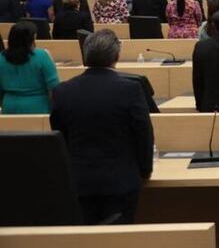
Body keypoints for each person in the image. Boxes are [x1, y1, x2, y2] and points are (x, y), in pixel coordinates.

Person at [50, 29, 154, 223]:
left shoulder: (62, 91)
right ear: (116, 56)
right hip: (121, 180)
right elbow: (143, 133)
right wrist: (145, 169)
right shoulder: (130, 89)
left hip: (78, 180)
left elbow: (59, 136)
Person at [0, 21, 60, 113]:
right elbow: (54, 87)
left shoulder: (1, 58)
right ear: (30, 39)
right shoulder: (42, 55)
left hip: (9, 106)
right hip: (38, 107)